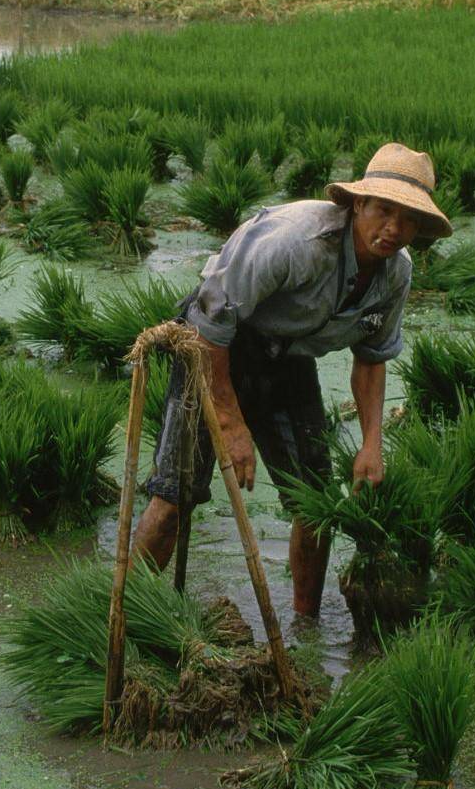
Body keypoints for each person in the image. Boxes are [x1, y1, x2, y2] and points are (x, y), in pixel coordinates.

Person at [130, 142, 452, 618]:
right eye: (384, 211)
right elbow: (209, 325)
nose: (394, 230)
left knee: (314, 503)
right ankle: (121, 612)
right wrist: (232, 422)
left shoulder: (395, 274)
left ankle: (305, 624)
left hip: (288, 358)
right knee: (174, 496)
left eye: (408, 220)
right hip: (216, 347)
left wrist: (371, 443)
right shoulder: (296, 243)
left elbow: (371, 357)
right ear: (359, 203)